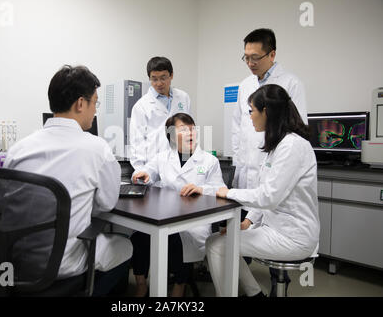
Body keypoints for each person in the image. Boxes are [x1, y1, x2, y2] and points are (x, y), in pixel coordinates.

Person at [3, 65, 133, 296]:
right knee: (126, 247)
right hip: (63, 264)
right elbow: (107, 203)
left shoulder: (17, 149)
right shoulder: (97, 148)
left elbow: (5, 202)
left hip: (15, 262)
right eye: (95, 103)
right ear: (81, 104)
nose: (95, 111)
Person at [206, 84, 319, 297]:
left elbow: (268, 196)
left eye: (252, 111)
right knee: (217, 240)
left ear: (265, 111)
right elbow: (266, 191)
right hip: (276, 227)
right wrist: (247, 222)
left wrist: (227, 192)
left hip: (293, 236)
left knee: (217, 246)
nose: (249, 117)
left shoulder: (292, 146)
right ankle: (255, 294)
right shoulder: (279, 145)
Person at [231, 28, 308, 294]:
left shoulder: (291, 83)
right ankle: (248, 286)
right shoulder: (244, 85)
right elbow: (238, 128)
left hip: (278, 170)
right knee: (245, 230)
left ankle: (278, 282)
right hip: (248, 169)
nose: (251, 63)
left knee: (276, 227)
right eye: (246, 58)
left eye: (256, 57)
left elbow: (297, 127)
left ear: (272, 54)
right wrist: (239, 162)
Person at [131, 113, 226, 297]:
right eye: (183, 130)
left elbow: (220, 189)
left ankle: (179, 286)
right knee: (140, 236)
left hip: (194, 221)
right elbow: (149, 172)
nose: (190, 133)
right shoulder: (162, 158)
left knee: (179, 240)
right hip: (164, 217)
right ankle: (141, 284)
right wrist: (144, 175)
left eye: (192, 129)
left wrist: (200, 188)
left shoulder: (209, 161)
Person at [129, 56, 191, 172]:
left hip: (180, 164)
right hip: (153, 167)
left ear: (171, 75)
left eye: (163, 78)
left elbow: (188, 132)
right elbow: (137, 142)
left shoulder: (183, 98)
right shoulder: (141, 105)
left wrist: (187, 162)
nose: (159, 83)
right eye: (154, 79)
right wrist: (141, 170)